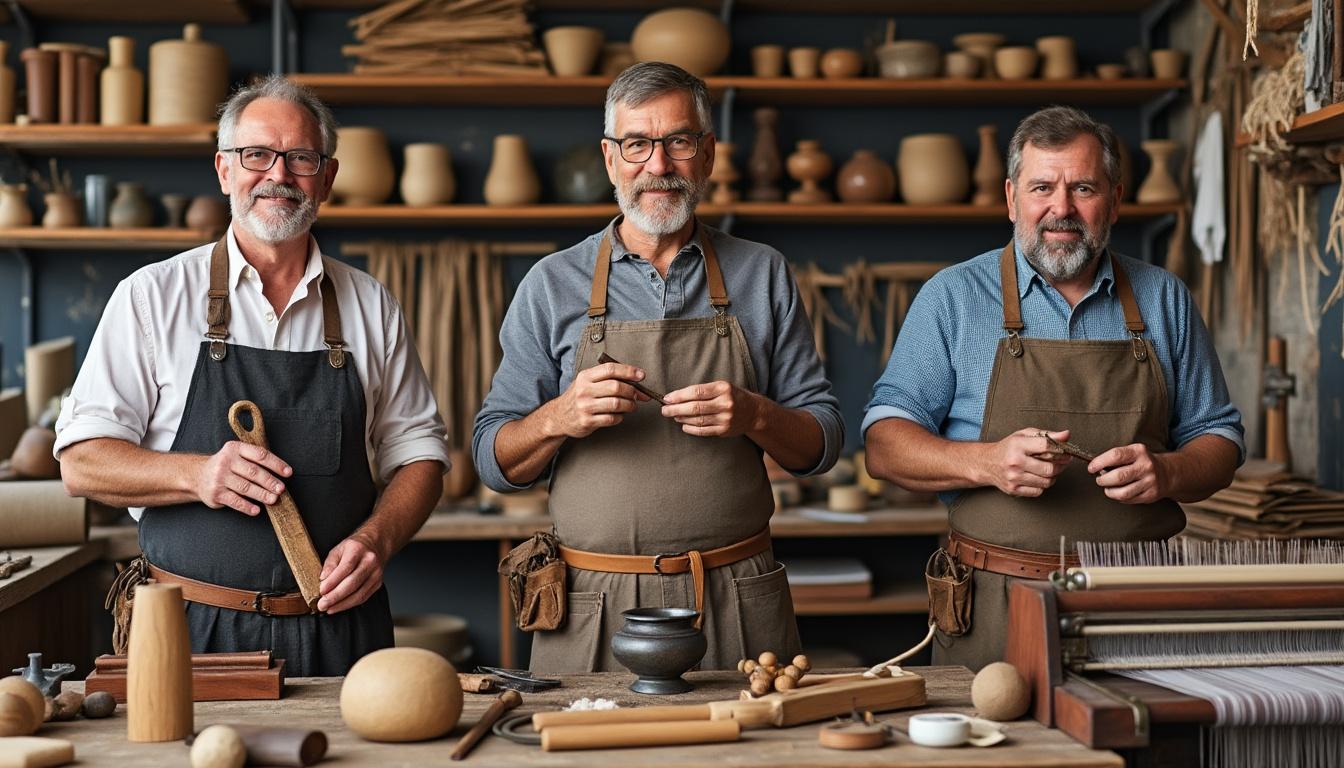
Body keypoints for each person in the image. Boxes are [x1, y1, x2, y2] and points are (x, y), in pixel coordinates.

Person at [55, 75, 449, 676]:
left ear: (328, 176)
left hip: (341, 634)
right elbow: (80, 462)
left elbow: (420, 455)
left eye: (301, 158)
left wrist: (378, 540)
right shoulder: (152, 296)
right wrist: (198, 475)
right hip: (189, 632)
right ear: (224, 170)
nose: (279, 175)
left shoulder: (371, 305)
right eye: (257, 155)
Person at [473, 62, 843, 673]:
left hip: (733, 596)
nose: (659, 166)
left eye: (677, 142)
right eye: (637, 144)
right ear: (610, 158)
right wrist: (560, 417)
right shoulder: (551, 283)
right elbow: (494, 459)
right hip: (592, 605)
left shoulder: (762, 272)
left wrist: (753, 413)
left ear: (707, 153)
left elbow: (822, 442)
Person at [863, 106, 1244, 672]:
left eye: (1082, 187)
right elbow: (883, 445)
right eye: (1043, 187)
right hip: (994, 603)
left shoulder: (1164, 300)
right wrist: (988, 462)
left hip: (1136, 605)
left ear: (1114, 199)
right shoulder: (953, 298)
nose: (1061, 208)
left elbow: (1221, 438)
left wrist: (1169, 472)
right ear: (1013, 198)